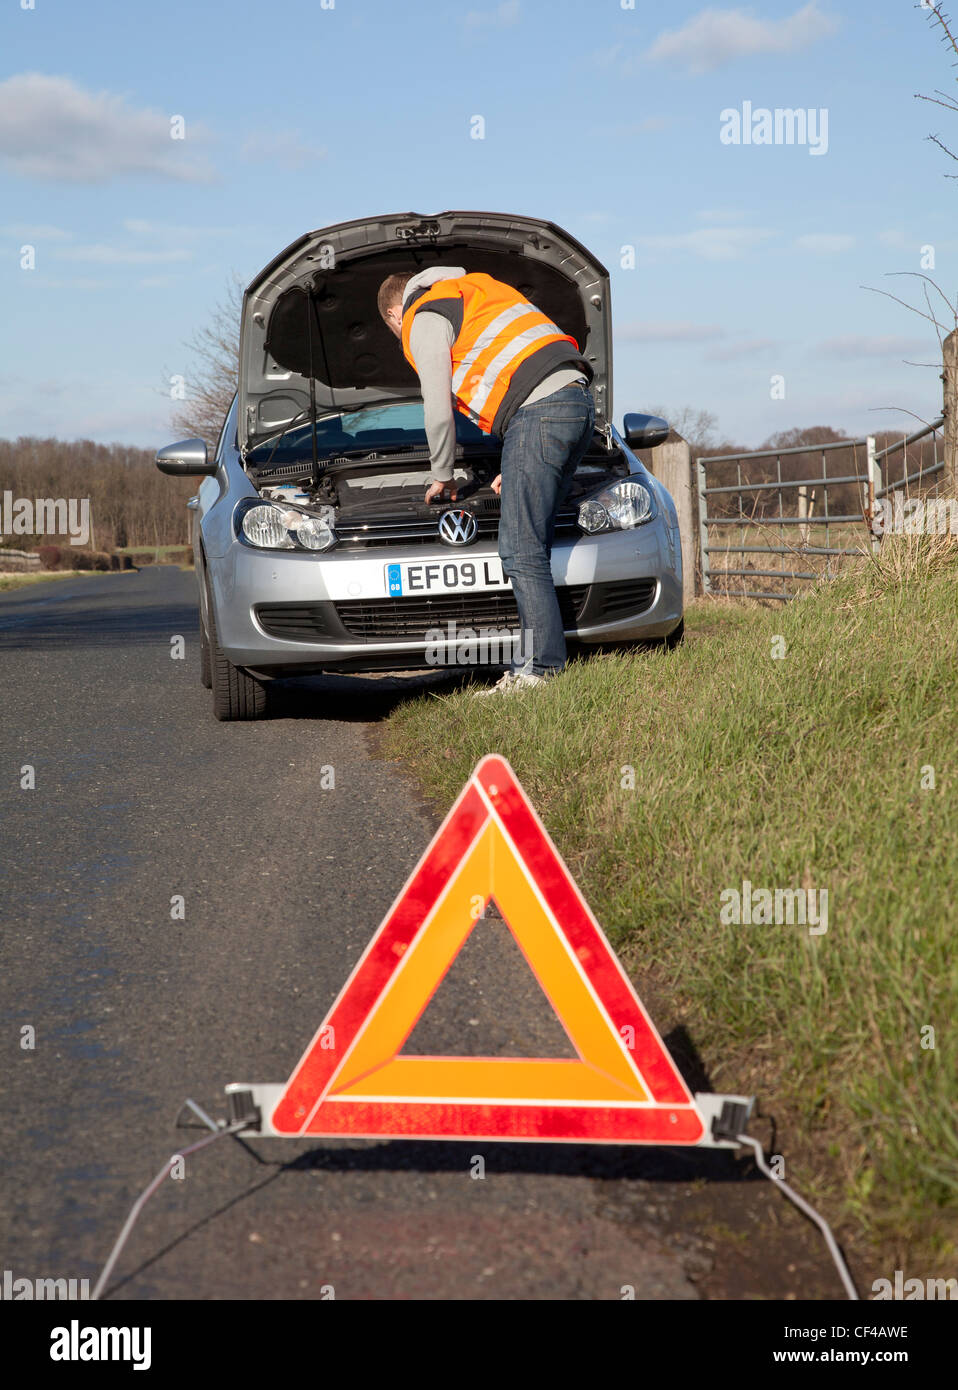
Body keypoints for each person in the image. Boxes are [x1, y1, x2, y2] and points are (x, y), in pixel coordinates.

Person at [378, 266, 596, 692]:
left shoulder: (421, 315)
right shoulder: (472, 287)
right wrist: (515, 462)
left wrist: (442, 473)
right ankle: (541, 662)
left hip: (540, 412)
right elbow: (516, 369)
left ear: (392, 313)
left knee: (521, 550)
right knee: (537, 540)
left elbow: (437, 403)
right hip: (577, 399)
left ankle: (539, 671)